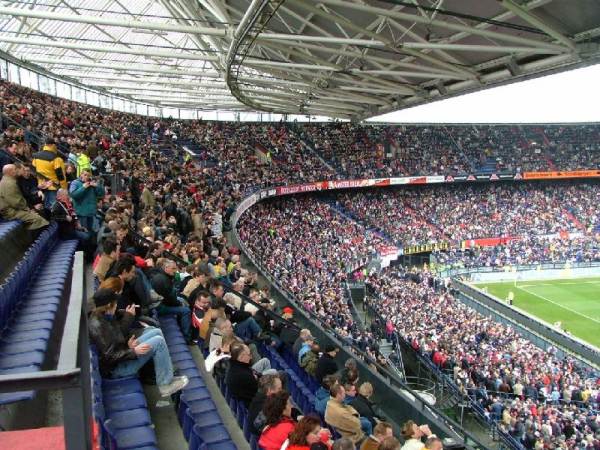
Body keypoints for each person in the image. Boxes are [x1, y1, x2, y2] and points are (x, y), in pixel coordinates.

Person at [88, 288, 188, 397]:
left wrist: (127, 345)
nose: (117, 305)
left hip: (124, 353)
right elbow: (109, 356)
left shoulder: (104, 317)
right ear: (108, 305)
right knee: (158, 342)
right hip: (117, 369)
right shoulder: (99, 325)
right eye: (115, 303)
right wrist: (133, 351)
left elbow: (115, 341)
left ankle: (166, 372)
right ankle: (165, 385)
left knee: (156, 331)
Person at [151, 259, 191, 341]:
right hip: (161, 307)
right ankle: (186, 338)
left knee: (183, 300)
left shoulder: (161, 276)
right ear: (166, 268)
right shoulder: (164, 280)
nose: (175, 271)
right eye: (173, 269)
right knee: (186, 310)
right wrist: (179, 304)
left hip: (161, 304)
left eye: (175, 268)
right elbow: (170, 300)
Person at [0, 164, 48, 230]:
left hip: (14, 209)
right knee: (40, 220)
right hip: (11, 211)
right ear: (11, 172)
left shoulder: (9, 181)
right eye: (15, 169)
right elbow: (17, 202)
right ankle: (21, 237)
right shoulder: (9, 184)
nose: (17, 170)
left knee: (43, 214)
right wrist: (30, 209)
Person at [31, 138, 66, 209]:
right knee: (55, 207)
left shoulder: (36, 156)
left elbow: (34, 170)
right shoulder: (56, 159)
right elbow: (61, 175)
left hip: (42, 185)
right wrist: (64, 188)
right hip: (54, 186)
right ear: (53, 145)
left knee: (46, 206)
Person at [69, 169, 104, 234]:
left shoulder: (92, 184)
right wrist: (83, 187)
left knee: (91, 232)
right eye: (85, 175)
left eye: (88, 175)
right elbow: (73, 195)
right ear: (81, 175)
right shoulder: (75, 183)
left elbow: (101, 194)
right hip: (81, 213)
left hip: (91, 213)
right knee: (84, 232)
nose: (86, 177)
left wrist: (97, 186)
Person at [226, 343, 259, 407]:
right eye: (249, 355)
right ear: (241, 357)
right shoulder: (244, 375)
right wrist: (255, 378)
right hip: (252, 402)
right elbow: (258, 391)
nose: (251, 357)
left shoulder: (233, 365)